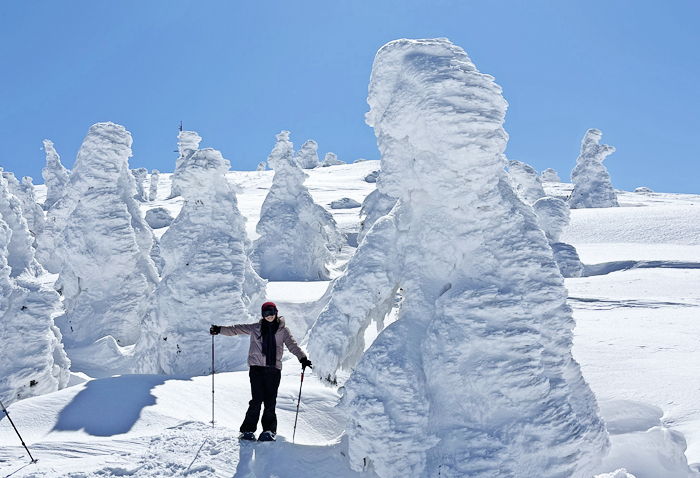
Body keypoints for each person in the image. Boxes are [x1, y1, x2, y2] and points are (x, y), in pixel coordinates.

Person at [210, 301, 312, 442]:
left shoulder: (283, 331)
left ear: (276, 312)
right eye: (265, 313)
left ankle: (269, 431)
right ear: (262, 315)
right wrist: (219, 329)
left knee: (270, 401)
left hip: (273, 370)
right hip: (256, 369)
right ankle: (247, 431)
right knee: (256, 400)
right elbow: (235, 329)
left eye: (271, 312)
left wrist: (303, 358)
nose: (269, 316)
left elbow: (292, 345)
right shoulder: (255, 328)